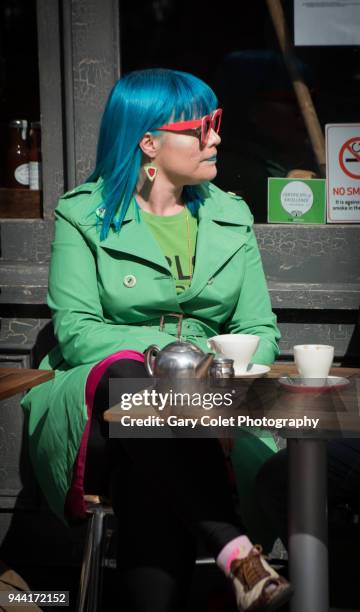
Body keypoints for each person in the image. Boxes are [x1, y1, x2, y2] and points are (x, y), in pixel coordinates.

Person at [21, 68, 292, 612]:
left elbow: (260, 333)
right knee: (129, 376)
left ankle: (239, 563)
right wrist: (173, 361)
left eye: (217, 123)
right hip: (99, 408)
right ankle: (236, 548)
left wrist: (207, 387)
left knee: (149, 469)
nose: (216, 137)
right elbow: (76, 334)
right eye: (202, 126)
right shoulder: (83, 214)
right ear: (149, 142)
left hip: (209, 412)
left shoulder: (230, 216)